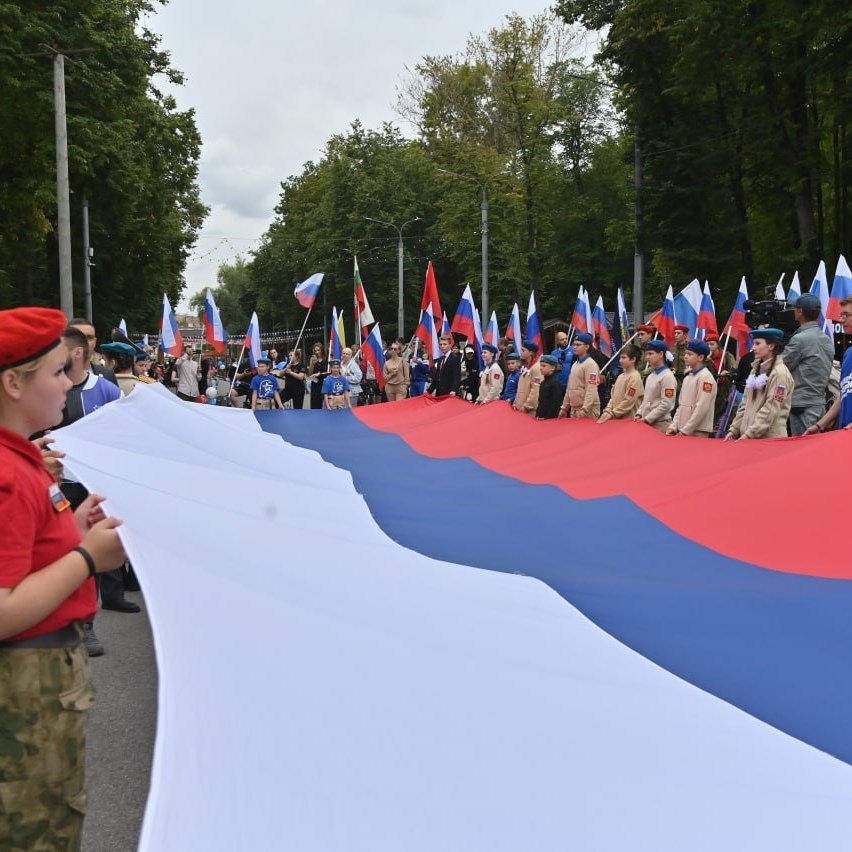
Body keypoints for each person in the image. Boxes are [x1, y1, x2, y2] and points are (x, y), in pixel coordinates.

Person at [0, 306, 126, 849]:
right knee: (37, 824)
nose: (69, 386)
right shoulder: (7, 475)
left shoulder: (24, 460)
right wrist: (88, 558)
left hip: (40, 671)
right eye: (56, 373)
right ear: (12, 382)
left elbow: (28, 552)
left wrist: (73, 529)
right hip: (25, 678)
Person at [724, 328, 794, 440]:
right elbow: (745, 404)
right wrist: (734, 430)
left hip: (768, 440)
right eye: (753, 343)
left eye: (757, 343)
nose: (753, 348)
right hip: (751, 437)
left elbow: (770, 409)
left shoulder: (780, 373)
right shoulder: (755, 370)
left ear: (771, 346)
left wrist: (749, 434)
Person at [781, 293, 835, 436]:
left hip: (802, 405)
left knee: (802, 451)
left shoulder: (800, 339)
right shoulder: (827, 339)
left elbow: (781, 367)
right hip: (819, 402)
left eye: (795, 308)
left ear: (800, 311)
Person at [806, 296, 852, 434]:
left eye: (846, 315)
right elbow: (844, 394)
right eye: (841, 315)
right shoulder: (849, 353)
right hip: (844, 434)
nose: (842, 319)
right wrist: (820, 425)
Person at [668, 340, 717, 437]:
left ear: (700, 357)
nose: (685, 356)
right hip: (683, 430)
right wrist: (673, 426)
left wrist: (686, 430)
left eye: (690, 354)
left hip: (697, 431)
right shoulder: (688, 377)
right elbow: (681, 406)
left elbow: (701, 408)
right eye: (685, 353)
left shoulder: (705, 377)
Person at [635, 340, 677, 433]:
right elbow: (646, 400)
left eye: (651, 354)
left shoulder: (667, 376)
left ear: (661, 354)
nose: (647, 357)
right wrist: (639, 413)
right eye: (647, 354)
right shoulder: (651, 376)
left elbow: (666, 404)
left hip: (660, 424)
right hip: (647, 423)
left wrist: (647, 418)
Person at [598, 344, 644, 422]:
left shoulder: (635, 378)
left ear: (633, 359)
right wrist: (607, 411)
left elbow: (628, 401)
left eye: (623, 358)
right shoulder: (620, 376)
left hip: (627, 422)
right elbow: (613, 397)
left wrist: (612, 414)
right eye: (620, 357)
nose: (620, 360)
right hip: (616, 420)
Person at [559, 332, 600, 419]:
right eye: (574, 344)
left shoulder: (590, 364)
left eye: (578, 345)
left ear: (587, 346)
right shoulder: (575, 364)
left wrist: (585, 409)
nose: (574, 347)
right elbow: (569, 388)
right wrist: (564, 408)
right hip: (575, 409)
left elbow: (591, 388)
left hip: (588, 410)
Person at [512, 341, 543, 416]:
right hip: (520, 407)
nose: (521, 352)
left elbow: (535, 390)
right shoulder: (526, 367)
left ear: (531, 353)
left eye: (523, 350)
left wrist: (527, 406)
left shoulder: (537, 368)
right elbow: (520, 388)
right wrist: (516, 402)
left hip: (529, 410)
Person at [535, 355, 563, 419]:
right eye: (540, 365)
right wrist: (538, 414)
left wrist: (547, 417)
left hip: (550, 419)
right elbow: (541, 402)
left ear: (552, 368)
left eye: (544, 366)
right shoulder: (543, 383)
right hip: (541, 417)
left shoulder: (555, 383)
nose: (541, 368)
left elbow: (556, 403)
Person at [307, 342, 329, 409]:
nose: (317, 352)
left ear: (322, 349)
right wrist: (312, 364)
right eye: (315, 350)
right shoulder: (312, 358)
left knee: (323, 402)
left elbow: (328, 372)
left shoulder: (326, 358)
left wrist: (320, 374)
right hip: (315, 383)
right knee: (315, 402)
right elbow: (309, 373)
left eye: (318, 350)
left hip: (324, 382)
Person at [671, 325, 689, 390]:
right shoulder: (672, 349)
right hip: (674, 379)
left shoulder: (690, 349)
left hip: (686, 378)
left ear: (685, 335)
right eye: (675, 333)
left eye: (678, 333)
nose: (676, 335)